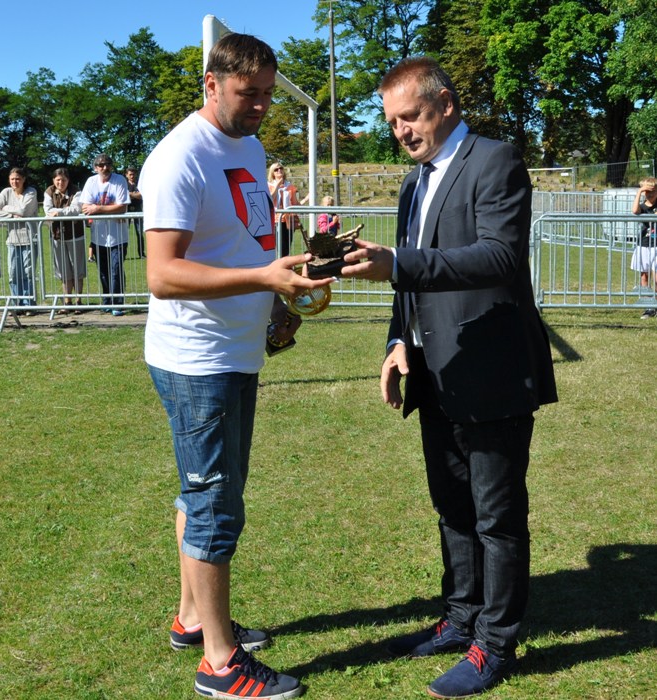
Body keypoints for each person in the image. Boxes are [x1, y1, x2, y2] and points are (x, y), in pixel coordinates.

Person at [340, 56, 558, 699]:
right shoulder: (414, 183)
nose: (401, 131)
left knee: (497, 517)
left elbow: (498, 256)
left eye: (410, 116)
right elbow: (406, 282)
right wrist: (396, 342)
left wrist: (399, 264)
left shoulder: (495, 160)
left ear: (446, 104)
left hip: (492, 370)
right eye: (392, 122)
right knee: (452, 509)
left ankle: (495, 643)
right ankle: (460, 619)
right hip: (434, 372)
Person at [139, 32, 332, 700]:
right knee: (215, 505)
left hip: (235, 351)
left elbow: (248, 239)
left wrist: (275, 301)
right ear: (212, 84)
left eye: (269, 95)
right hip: (198, 360)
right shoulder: (178, 157)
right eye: (249, 94)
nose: (261, 107)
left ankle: (194, 620)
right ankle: (220, 664)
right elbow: (162, 274)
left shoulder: (247, 147)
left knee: (201, 495)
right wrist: (264, 277)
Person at [80, 154, 130, 316]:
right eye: (101, 165)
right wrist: (107, 209)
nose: (105, 167)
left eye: (107, 164)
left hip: (118, 236)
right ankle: (107, 300)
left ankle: (118, 303)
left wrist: (97, 209)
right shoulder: (91, 182)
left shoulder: (119, 180)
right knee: (103, 271)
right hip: (98, 236)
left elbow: (122, 207)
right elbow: (85, 207)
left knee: (116, 269)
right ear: (95, 168)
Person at [0, 167, 39, 313]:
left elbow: (24, 211)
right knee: (13, 273)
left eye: (18, 178)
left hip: (29, 238)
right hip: (12, 240)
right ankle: (16, 304)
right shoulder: (5, 192)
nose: (15, 181)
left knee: (28, 272)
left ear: (23, 179)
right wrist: (12, 215)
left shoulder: (31, 192)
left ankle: (29, 304)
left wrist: (6, 208)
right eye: (12, 179)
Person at [44, 167, 86, 312]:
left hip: (76, 236)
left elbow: (76, 209)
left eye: (63, 180)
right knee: (63, 271)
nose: (60, 183)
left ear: (68, 180)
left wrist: (58, 213)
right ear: (53, 180)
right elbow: (47, 210)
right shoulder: (49, 192)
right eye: (58, 180)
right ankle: (67, 301)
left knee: (77, 270)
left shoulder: (76, 191)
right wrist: (62, 213)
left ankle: (78, 301)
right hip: (57, 236)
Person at [630, 177, 657, 319]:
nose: (649, 194)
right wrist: (640, 191)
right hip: (644, 244)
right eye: (647, 192)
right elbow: (635, 211)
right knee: (644, 276)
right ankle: (649, 306)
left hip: (656, 246)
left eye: (652, 191)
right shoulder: (643, 206)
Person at [268, 161, 302, 256]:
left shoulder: (289, 186)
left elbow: (294, 203)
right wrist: (277, 186)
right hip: (275, 220)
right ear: (272, 173)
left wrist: (307, 200)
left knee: (286, 248)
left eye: (281, 168)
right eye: (276, 169)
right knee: (278, 247)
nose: (279, 170)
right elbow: (270, 200)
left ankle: (285, 263)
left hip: (287, 220)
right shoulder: (269, 185)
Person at [126, 166, 145, 259]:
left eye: (133, 174)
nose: (132, 176)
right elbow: (125, 196)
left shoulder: (140, 184)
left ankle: (141, 253)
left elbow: (142, 195)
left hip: (138, 210)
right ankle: (123, 253)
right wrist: (135, 195)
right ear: (126, 175)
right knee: (125, 233)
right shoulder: (124, 185)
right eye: (130, 174)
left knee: (139, 233)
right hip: (127, 211)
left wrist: (131, 194)